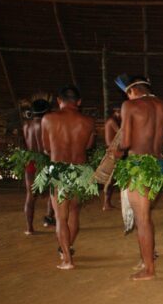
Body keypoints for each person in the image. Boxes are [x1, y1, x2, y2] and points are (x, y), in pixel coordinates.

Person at [113, 74, 163, 280]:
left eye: (127, 94)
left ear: (132, 91)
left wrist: (116, 152)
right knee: (144, 217)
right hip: (158, 166)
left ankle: (149, 269)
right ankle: (146, 258)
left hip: (139, 167)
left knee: (142, 219)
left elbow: (126, 143)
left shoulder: (130, 106)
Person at [40, 86, 96, 269]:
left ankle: (67, 259)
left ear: (58, 100)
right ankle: (66, 248)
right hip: (80, 171)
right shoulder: (88, 121)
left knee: (60, 217)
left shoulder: (48, 119)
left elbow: (46, 147)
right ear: (79, 102)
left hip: (59, 170)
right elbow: (88, 146)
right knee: (73, 212)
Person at [21, 97, 55, 234]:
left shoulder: (26, 125)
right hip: (46, 160)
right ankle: (49, 218)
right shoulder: (46, 124)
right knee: (53, 190)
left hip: (30, 161)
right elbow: (45, 148)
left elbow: (27, 144)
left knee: (30, 195)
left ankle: (29, 228)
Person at [102, 105, 121, 210]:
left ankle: (108, 202)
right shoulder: (112, 121)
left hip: (114, 151)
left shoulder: (114, 120)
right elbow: (121, 133)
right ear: (116, 111)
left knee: (113, 179)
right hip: (112, 152)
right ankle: (106, 203)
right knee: (110, 179)